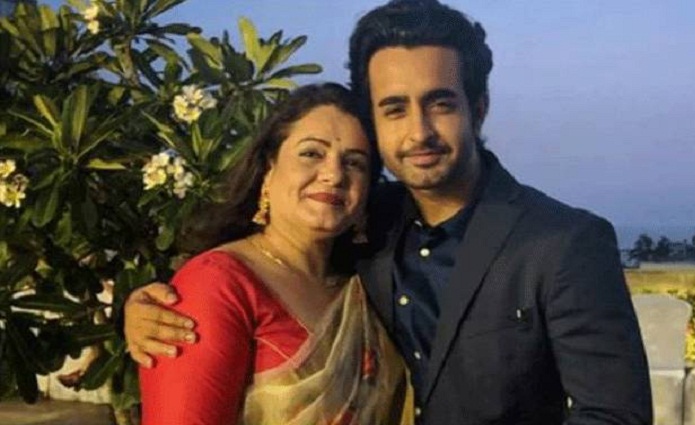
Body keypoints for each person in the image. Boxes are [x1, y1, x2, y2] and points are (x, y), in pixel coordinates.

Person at [125, 1, 653, 423]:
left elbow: (613, 416)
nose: (418, 131)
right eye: (394, 108)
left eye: (440, 104)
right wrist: (143, 307)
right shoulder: (367, 225)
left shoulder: (561, 243)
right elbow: (251, 274)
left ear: (478, 107)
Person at [134, 83, 414, 425]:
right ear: (268, 170)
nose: (334, 174)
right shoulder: (217, 284)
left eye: (355, 163)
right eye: (312, 154)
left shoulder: (368, 290)